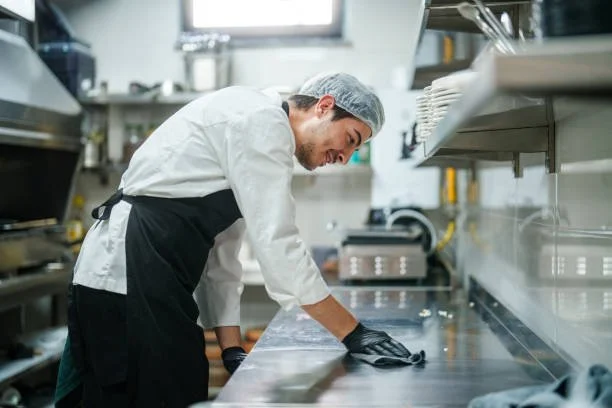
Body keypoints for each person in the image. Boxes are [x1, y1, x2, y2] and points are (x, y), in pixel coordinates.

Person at [58, 72, 420, 407]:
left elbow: (223, 251)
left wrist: (231, 347)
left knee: (178, 385)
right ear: (324, 106)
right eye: (350, 140)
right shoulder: (262, 122)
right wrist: (353, 333)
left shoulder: (258, 122)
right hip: (123, 273)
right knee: (154, 393)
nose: (344, 157)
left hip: (148, 274)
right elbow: (278, 243)